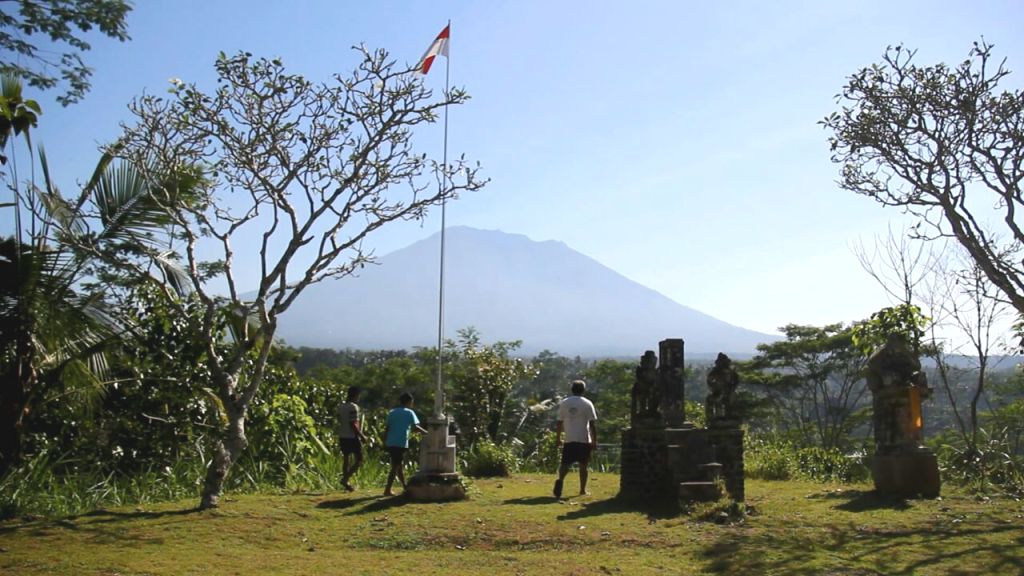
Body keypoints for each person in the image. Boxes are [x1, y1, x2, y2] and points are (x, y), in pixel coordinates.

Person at [554, 379, 598, 499]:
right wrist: (594, 441)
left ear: (572, 389)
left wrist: (558, 438)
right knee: (583, 465)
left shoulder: (564, 403)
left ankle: (560, 480)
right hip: (583, 438)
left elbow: (559, 422)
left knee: (565, 464)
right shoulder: (587, 403)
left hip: (569, 438)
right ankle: (582, 489)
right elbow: (592, 424)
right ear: (583, 390)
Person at [383, 391, 427, 496]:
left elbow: (387, 428)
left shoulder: (392, 412)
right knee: (395, 466)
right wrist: (427, 433)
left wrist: (384, 441)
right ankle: (387, 489)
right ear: (409, 402)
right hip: (400, 442)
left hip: (391, 441)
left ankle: (405, 487)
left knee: (398, 465)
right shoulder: (409, 412)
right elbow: (415, 427)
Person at [336, 385, 366, 492]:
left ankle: (346, 485)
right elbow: (353, 424)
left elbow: (340, 421)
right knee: (359, 460)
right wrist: (361, 436)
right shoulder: (353, 407)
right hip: (351, 436)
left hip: (342, 435)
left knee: (346, 459)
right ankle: (345, 479)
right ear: (356, 395)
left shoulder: (341, 407)